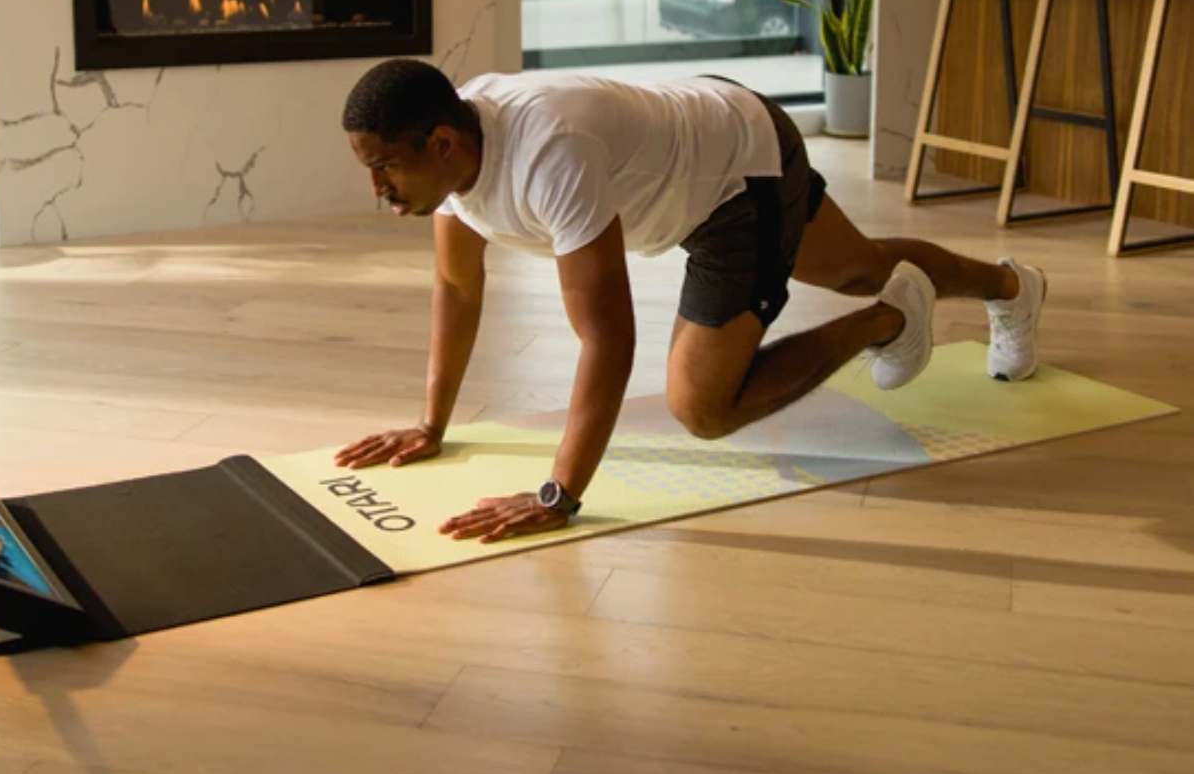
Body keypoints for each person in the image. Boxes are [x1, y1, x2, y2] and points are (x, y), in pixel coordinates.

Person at [334, 59, 1046, 544]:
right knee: (861, 265)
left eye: (385, 167)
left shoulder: (549, 156)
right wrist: (431, 423)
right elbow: (458, 287)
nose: (378, 189)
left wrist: (559, 493)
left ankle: (888, 319)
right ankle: (1014, 288)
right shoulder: (456, 159)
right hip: (712, 135)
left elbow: (608, 338)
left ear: (442, 142)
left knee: (701, 407)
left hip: (736, 176)